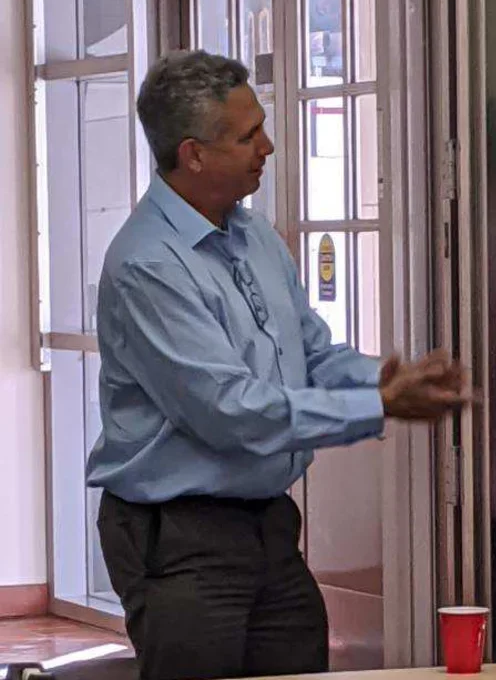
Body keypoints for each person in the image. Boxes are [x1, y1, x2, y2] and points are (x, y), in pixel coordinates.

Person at [86, 50, 469, 680]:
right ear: (193, 154)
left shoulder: (253, 234)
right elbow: (227, 412)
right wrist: (378, 406)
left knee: (299, 659)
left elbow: (311, 353)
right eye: (247, 135)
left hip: (267, 524)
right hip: (180, 536)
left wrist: (384, 379)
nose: (268, 146)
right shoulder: (148, 265)